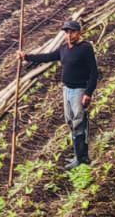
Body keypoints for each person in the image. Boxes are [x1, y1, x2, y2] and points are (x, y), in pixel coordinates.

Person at [20, 17, 99, 166]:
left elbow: (94, 72)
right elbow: (48, 57)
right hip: (67, 90)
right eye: (67, 32)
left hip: (79, 90)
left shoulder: (85, 48)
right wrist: (27, 56)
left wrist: (88, 93)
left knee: (79, 121)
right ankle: (78, 155)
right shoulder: (64, 49)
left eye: (72, 32)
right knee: (70, 121)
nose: (69, 35)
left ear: (79, 33)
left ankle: (82, 158)